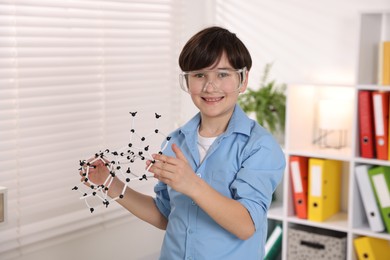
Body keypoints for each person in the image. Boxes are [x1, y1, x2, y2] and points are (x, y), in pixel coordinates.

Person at [83, 26, 285, 259]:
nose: (210, 86)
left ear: (243, 79)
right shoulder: (175, 141)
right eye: (199, 75)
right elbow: (166, 215)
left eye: (222, 74)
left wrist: (191, 184)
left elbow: (246, 225)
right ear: (187, 81)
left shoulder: (259, 147)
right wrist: (110, 183)